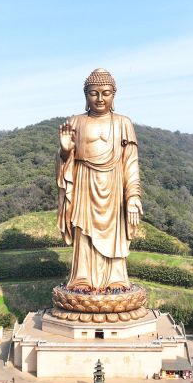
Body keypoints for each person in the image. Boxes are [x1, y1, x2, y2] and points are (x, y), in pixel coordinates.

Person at [57, 68, 142, 290]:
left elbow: (130, 162)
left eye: (106, 93)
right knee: (83, 231)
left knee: (115, 233)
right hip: (84, 180)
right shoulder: (75, 122)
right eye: (94, 93)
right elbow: (65, 160)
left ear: (114, 95)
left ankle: (116, 278)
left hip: (113, 183)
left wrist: (132, 196)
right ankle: (81, 278)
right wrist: (66, 152)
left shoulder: (123, 123)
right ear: (86, 96)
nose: (100, 98)